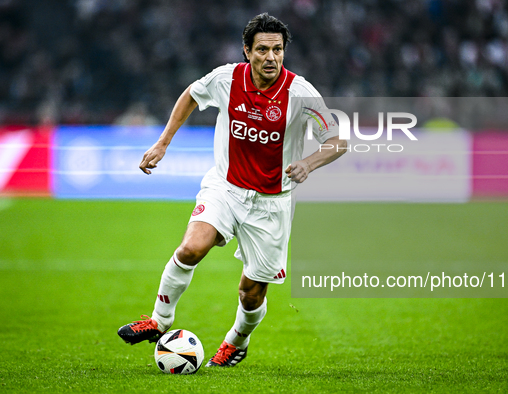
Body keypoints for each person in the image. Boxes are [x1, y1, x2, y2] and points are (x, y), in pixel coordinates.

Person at [117, 13, 346, 367]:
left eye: (278, 50)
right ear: (247, 51)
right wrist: (163, 143)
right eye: (263, 50)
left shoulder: (300, 93)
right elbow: (191, 95)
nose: (271, 57)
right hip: (225, 187)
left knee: (250, 293)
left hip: (272, 204)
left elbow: (338, 139)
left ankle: (237, 340)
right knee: (191, 248)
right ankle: (159, 320)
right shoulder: (228, 78)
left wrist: (308, 163)